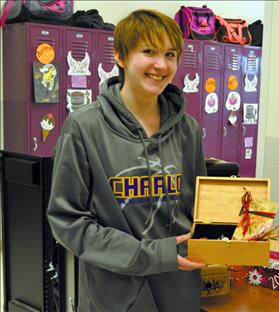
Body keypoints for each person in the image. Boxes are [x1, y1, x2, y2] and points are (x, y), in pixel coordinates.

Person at [47, 9, 207, 311]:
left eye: (170, 54)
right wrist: (152, 255)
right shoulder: (84, 128)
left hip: (178, 291)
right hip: (114, 297)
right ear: (120, 56)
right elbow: (68, 221)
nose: (161, 65)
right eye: (149, 52)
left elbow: (198, 211)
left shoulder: (189, 130)